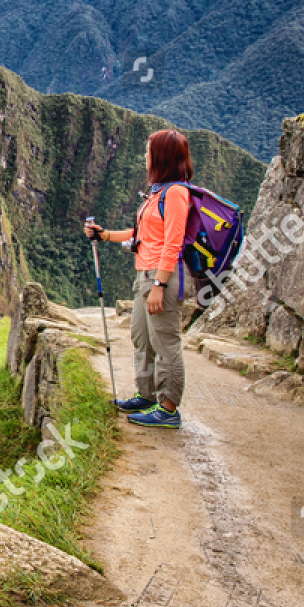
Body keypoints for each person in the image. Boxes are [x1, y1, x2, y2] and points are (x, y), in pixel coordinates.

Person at [83, 129, 191, 430]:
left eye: (149, 151)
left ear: (162, 157)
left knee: (165, 342)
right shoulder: (157, 193)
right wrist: (104, 235)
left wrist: (159, 284)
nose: (145, 156)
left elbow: (174, 242)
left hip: (163, 278)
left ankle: (168, 408)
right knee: (142, 338)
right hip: (145, 275)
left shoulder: (177, 194)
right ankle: (147, 396)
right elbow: (139, 235)